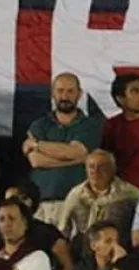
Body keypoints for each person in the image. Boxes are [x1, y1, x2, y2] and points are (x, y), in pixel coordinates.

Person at [22, 72, 103, 223]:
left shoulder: (90, 125)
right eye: (60, 91)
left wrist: (37, 145)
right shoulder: (39, 125)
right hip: (42, 204)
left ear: (79, 94)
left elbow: (75, 151)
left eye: (70, 91)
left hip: (79, 203)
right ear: (53, 93)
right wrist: (78, 160)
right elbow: (37, 161)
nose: (64, 96)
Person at [57, 149, 139, 241]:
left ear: (113, 169)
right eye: (91, 167)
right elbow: (63, 229)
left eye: (102, 167)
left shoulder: (129, 193)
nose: (96, 171)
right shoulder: (75, 194)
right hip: (83, 247)